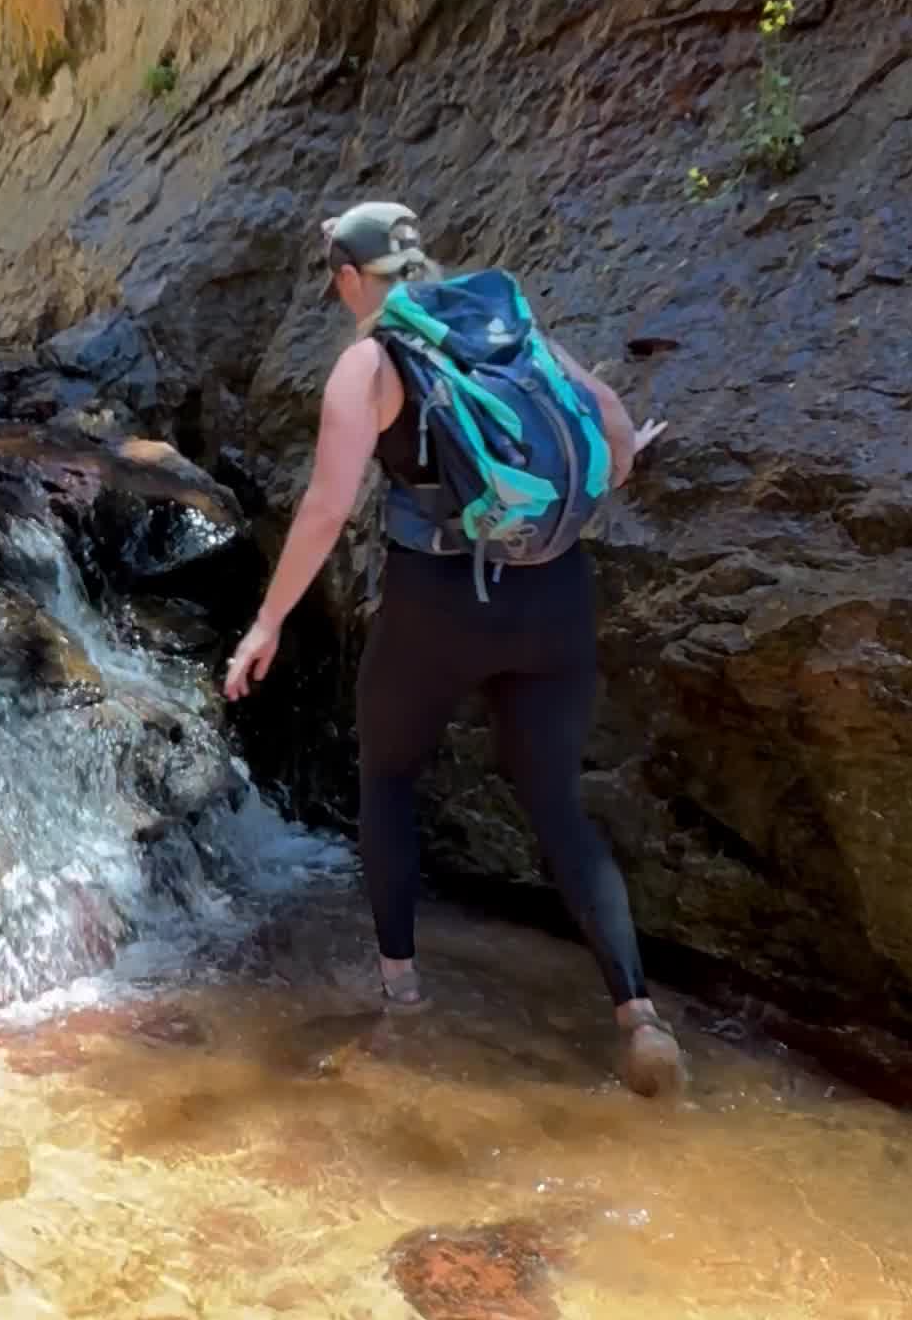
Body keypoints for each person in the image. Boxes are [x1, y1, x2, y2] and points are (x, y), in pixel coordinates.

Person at [223, 199, 683, 1096]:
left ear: (349, 279)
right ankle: (639, 1017)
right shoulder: (502, 321)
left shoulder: (369, 362)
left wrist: (269, 620)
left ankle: (403, 1001)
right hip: (555, 595)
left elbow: (326, 507)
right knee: (556, 804)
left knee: (389, 778)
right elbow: (611, 428)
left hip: (438, 604)